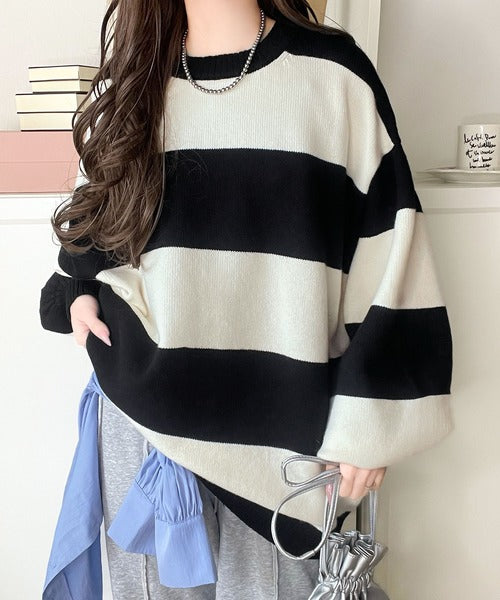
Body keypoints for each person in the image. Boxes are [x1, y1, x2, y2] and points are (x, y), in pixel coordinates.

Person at [39, 0, 454, 598]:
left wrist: (374, 422)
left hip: (284, 446)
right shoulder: (129, 82)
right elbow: (91, 225)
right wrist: (77, 290)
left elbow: (392, 254)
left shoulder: (334, 75)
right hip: (144, 432)